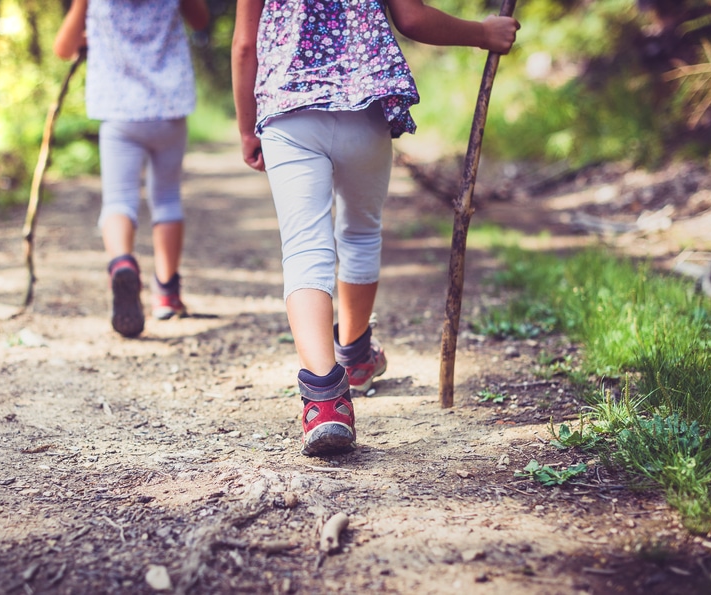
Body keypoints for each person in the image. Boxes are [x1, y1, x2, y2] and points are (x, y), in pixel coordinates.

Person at [232, 0, 519, 455]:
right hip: (362, 108)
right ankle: (356, 355)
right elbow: (411, 17)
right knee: (360, 232)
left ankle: (325, 400)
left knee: (305, 247)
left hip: (288, 112)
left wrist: (248, 128)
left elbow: (246, 45)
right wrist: (483, 33)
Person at [54, 0, 210, 338]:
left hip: (119, 112)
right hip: (169, 108)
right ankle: (167, 294)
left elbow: (63, 48)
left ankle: (122, 262)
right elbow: (200, 20)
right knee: (167, 198)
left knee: (118, 200)